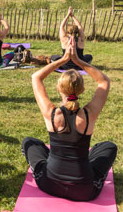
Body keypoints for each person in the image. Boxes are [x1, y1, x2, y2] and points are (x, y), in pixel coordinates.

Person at [22, 37, 117, 201]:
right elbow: (104, 81)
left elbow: (36, 77)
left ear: (59, 88)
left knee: (30, 142)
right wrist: (78, 61)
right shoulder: (88, 114)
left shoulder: (52, 113)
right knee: (108, 147)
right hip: (84, 190)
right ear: (82, 90)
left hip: (49, 184)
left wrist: (63, 60)